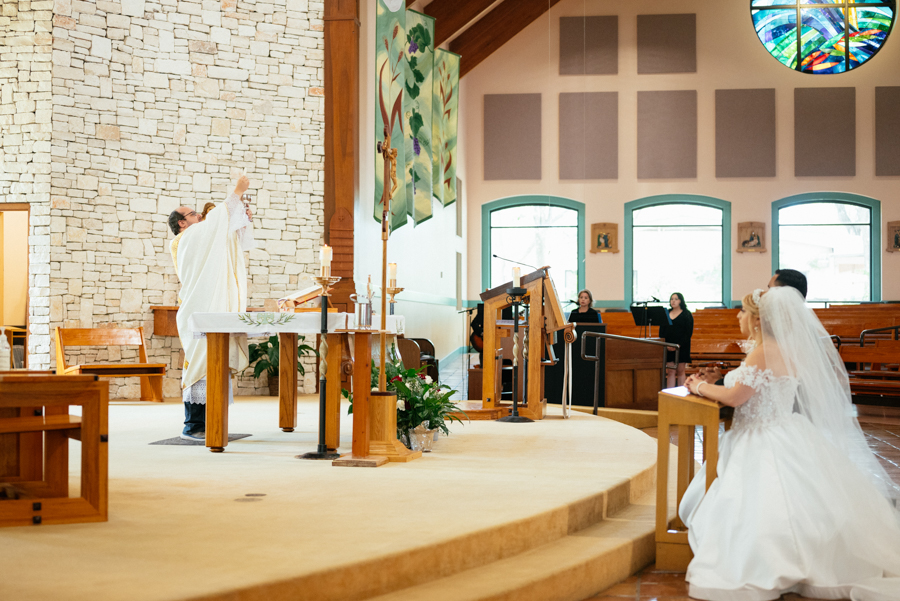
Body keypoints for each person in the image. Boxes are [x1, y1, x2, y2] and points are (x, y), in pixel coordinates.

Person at [680, 287, 900, 601]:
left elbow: (737, 397)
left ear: (757, 320)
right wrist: (722, 378)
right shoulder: (782, 347)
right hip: (786, 430)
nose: (739, 317)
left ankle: (779, 563)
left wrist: (699, 385)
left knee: (760, 504)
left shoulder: (764, 350)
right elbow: (756, 384)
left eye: (743, 312)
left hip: (759, 436)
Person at [168, 174, 256, 441]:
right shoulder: (185, 239)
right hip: (197, 308)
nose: (199, 216)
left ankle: (211, 421)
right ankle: (192, 426)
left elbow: (226, 240)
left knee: (215, 361)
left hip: (211, 307)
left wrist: (240, 218)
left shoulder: (201, 237)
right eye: (193, 214)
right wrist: (236, 193)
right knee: (199, 362)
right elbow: (215, 225)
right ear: (182, 222)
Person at [699, 269, 809, 385]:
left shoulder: (784, 337)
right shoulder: (784, 329)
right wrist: (724, 380)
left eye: (770, 289)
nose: (766, 294)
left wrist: (713, 384)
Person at [659, 292, 692, 387]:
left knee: (680, 371)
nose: (673, 301)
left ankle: (681, 396)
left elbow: (688, 333)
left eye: (676, 299)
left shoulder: (686, 314)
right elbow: (661, 332)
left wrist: (678, 345)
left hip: (682, 347)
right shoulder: (666, 313)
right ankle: (670, 395)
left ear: (680, 301)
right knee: (670, 371)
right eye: (671, 299)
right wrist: (666, 345)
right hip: (668, 346)